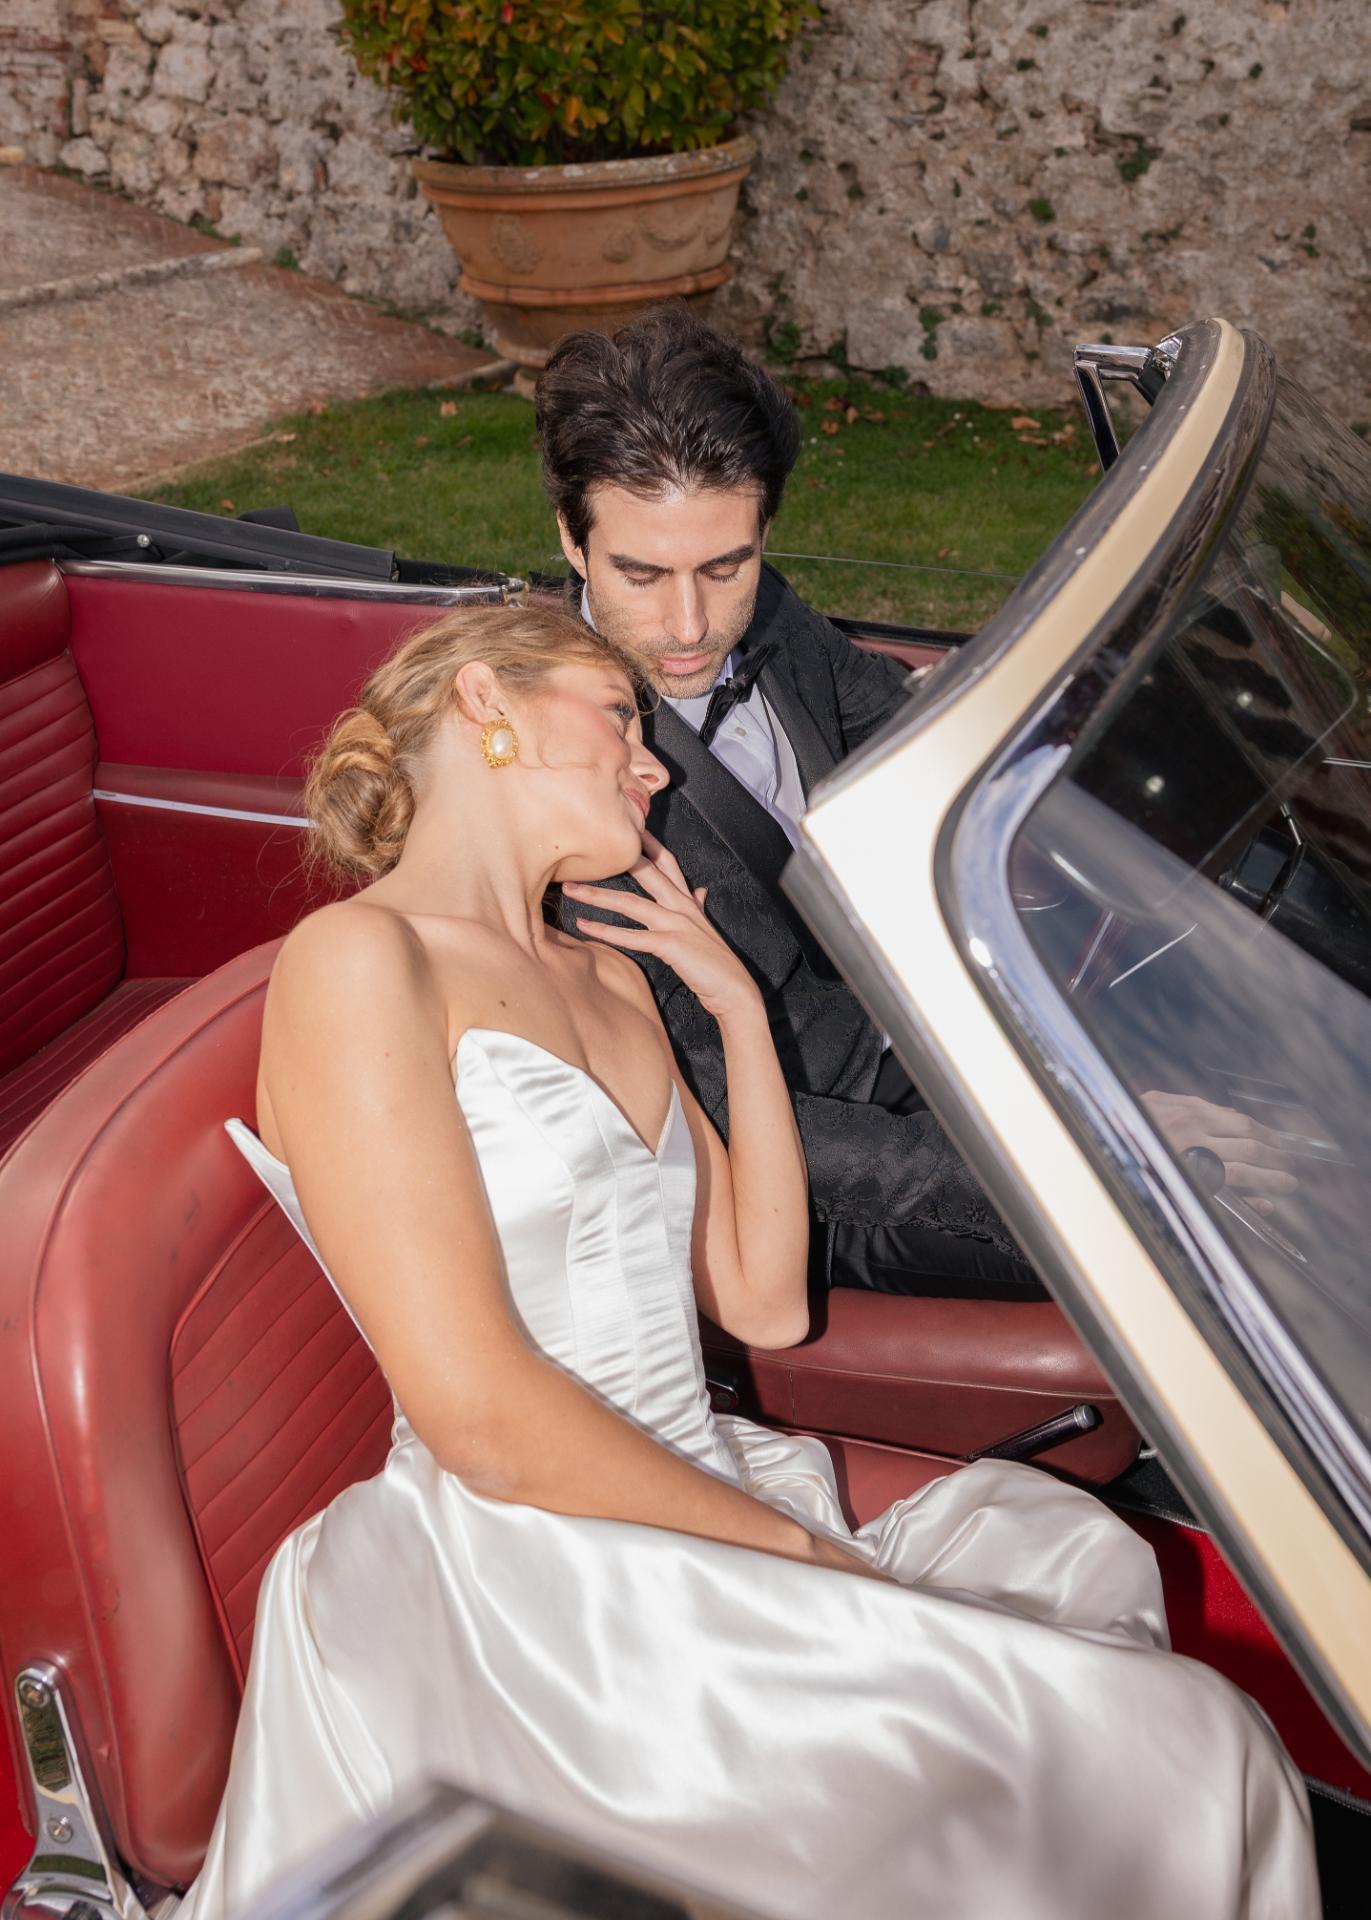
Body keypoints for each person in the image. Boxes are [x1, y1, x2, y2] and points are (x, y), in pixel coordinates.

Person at [174, 603, 1315, 1920]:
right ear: (487, 700)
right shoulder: (359, 959)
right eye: (616, 717)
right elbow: (478, 1415)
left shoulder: (605, 976)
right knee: (1183, 1745)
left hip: (692, 1477)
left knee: (1083, 1580)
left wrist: (730, 1001)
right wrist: (791, 1552)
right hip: (529, 1562)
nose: (651, 765)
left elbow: (759, 1298)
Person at [534, 305, 1297, 1297]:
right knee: (1224, 1237)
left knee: (1270, 1031)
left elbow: (896, 725)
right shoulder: (560, 794)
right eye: (642, 574)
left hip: (922, 1008)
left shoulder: (758, 612)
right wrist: (1079, 1159)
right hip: (826, 1169)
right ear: (571, 539)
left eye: (727, 564)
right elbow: (714, 1111)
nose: (690, 624)